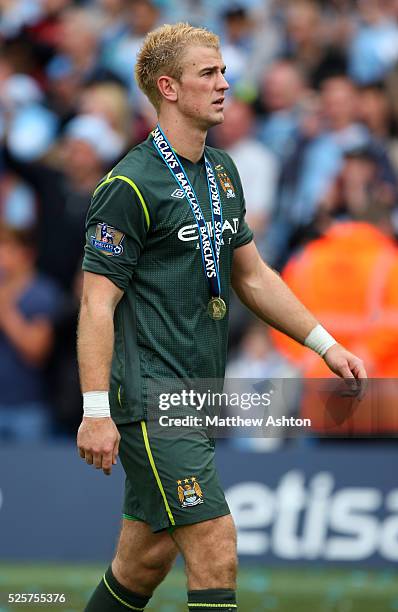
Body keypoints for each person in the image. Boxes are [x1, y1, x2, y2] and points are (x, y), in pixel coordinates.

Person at [76, 23, 367, 612]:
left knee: (144, 560)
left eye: (224, 71)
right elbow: (95, 303)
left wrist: (324, 344)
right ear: (169, 87)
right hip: (150, 399)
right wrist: (95, 412)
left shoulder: (222, 171)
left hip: (199, 392)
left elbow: (253, 275)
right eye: (208, 73)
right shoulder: (129, 185)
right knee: (215, 546)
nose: (225, 84)